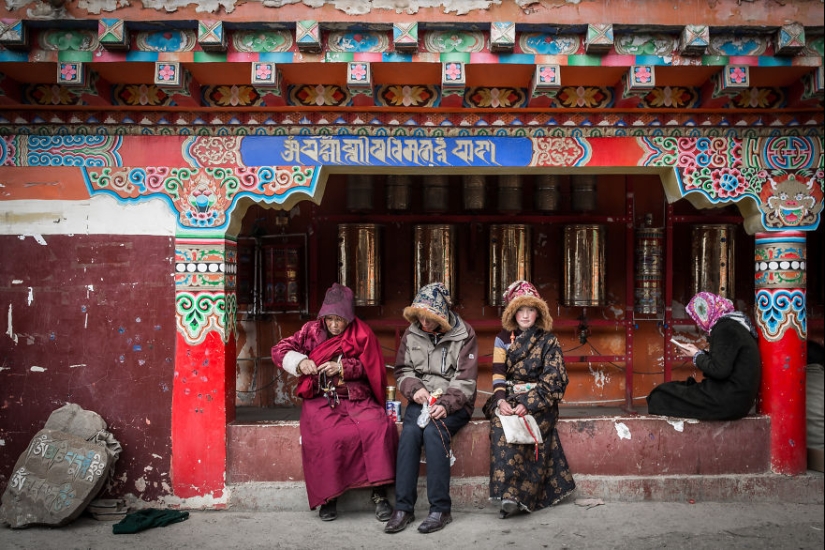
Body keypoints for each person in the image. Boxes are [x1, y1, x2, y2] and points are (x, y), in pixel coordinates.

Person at [271, 283, 397, 522]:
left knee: (379, 427)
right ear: (323, 317)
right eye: (330, 319)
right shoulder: (310, 331)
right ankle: (329, 497)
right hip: (321, 397)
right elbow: (280, 349)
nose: (335, 325)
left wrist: (342, 368)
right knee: (327, 435)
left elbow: (371, 367)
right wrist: (300, 362)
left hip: (356, 395)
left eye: (340, 320)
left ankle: (379, 493)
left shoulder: (362, 333)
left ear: (349, 317)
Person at [384, 282, 478, 535]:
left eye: (430, 318)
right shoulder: (411, 333)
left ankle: (440, 509)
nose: (424, 323)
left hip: (455, 401)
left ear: (442, 316)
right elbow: (403, 371)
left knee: (434, 432)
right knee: (410, 434)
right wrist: (414, 389)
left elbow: (466, 380)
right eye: (420, 317)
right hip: (422, 399)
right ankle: (403, 508)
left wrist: (446, 404)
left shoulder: (465, 334)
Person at [484, 280, 576, 519]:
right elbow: (498, 374)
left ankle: (520, 498)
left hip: (540, 401)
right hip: (509, 397)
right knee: (501, 425)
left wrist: (529, 403)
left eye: (531, 310)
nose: (525, 315)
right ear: (512, 313)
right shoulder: (502, 339)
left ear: (538, 313)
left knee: (528, 426)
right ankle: (506, 496)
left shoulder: (548, 341)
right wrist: (501, 401)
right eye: (520, 310)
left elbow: (554, 379)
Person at [647, 291, 761, 420]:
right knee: (675, 389)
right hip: (736, 399)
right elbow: (724, 361)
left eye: (698, 317)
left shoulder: (724, 328)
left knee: (661, 395)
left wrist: (696, 355)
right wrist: (697, 353)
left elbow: (719, 371)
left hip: (727, 401)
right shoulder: (733, 324)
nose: (699, 323)